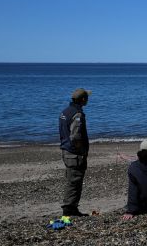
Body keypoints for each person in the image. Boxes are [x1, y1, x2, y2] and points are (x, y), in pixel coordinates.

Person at [58, 88, 91, 216]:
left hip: (66, 150)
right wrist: (81, 151)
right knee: (75, 181)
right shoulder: (77, 114)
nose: (88, 100)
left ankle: (71, 208)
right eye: (87, 97)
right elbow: (76, 136)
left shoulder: (65, 112)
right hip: (74, 153)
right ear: (83, 99)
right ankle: (69, 209)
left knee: (72, 179)